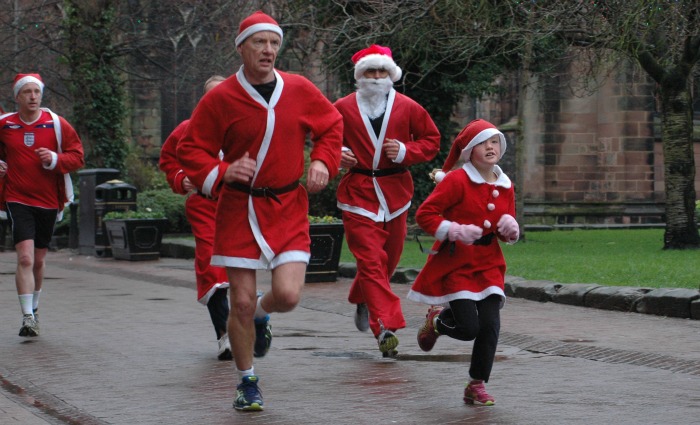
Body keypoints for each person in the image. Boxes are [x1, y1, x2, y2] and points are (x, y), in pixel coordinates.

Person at [176, 11, 343, 412]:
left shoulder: (299, 89)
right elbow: (190, 149)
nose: (268, 50)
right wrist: (222, 170)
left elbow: (331, 125)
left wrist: (322, 161)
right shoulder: (220, 98)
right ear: (241, 47)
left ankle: (264, 318)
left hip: (287, 205)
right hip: (238, 207)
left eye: (273, 43)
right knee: (242, 302)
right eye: (259, 42)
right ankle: (246, 381)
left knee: (286, 295)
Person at [334, 44, 440, 357]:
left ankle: (362, 297)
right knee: (370, 260)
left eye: (382, 71)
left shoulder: (408, 106)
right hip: (357, 193)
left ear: (391, 74)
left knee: (387, 261)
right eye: (370, 71)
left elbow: (431, 141)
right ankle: (386, 329)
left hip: (396, 193)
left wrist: (407, 152)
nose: (377, 77)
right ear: (359, 76)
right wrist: (338, 155)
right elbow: (325, 140)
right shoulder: (341, 107)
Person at [407, 119, 519, 406]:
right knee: (469, 328)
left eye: (494, 141)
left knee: (491, 325)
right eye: (483, 143)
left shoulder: (506, 184)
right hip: (457, 263)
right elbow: (425, 214)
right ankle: (437, 322)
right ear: (470, 150)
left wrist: (510, 229)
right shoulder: (457, 180)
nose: (490, 147)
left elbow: (504, 228)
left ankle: (476, 384)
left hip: (490, 263)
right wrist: (453, 230)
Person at [0, 73, 84, 337]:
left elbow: (77, 157)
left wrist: (55, 159)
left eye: (36, 92)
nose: (33, 97)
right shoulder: (4, 124)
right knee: (24, 257)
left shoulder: (56, 124)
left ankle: (34, 308)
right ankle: (27, 317)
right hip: (17, 198)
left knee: (37, 260)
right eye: (27, 92)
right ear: (17, 97)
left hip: (48, 200)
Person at [159, 75, 232, 360]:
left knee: (240, 270)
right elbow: (168, 159)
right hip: (205, 206)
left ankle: (252, 321)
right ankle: (225, 337)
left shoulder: (246, 124)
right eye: (211, 96)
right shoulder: (188, 129)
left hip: (239, 206)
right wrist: (181, 179)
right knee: (212, 268)